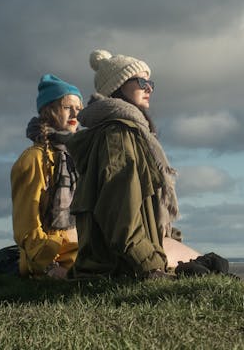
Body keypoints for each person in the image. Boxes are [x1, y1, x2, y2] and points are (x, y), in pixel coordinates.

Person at [67, 49, 227, 280]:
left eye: (150, 82)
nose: (149, 88)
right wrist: (150, 267)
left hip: (122, 260)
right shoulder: (118, 134)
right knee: (211, 271)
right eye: (141, 81)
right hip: (119, 267)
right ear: (118, 85)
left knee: (214, 265)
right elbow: (119, 212)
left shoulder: (130, 133)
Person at [10, 74, 83, 278]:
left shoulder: (79, 154)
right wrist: (49, 266)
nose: (75, 113)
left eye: (79, 108)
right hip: (49, 262)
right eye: (68, 107)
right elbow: (27, 224)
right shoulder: (34, 159)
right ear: (49, 110)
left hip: (81, 257)